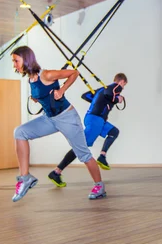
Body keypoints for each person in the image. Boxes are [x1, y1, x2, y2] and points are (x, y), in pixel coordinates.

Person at [11, 45, 105, 202]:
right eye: (13, 61)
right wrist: (37, 98)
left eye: (16, 61)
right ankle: (25, 178)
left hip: (67, 117)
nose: (14, 64)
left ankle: (99, 185)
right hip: (50, 119)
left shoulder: (46, 74)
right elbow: (43, 93)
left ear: (26, 59)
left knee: (83, 154)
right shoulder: (31, 78)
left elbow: (74, 73)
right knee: (20, 132)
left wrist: (62, 90)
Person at [48, 73, 127, 187]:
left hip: (97, 119)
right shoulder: (115, 87)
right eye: (124, 85)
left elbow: (86, 96)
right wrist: (117, 99)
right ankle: (56, 172)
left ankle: (102, 156)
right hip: (96, 119)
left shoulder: (102, 89)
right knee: (80, 147)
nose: (122, 88)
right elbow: (110, 94)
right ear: (121, 82)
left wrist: (99, 101)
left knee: (114, 132)